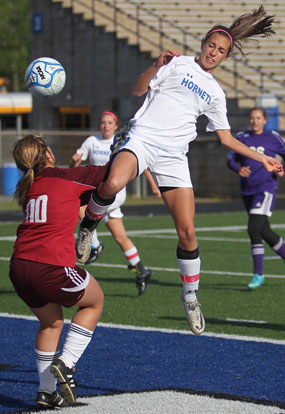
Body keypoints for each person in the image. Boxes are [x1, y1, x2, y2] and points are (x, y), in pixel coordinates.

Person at [75, 6, 283, 336]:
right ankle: (88, 225)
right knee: (112, 182)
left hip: (174, 156)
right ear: (203, 43)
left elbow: (226, 138)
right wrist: (156, 64)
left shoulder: (215, 93)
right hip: (142, 138)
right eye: (211, 46)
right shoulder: (177, 64)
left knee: (187, 233)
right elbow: (138, 90)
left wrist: (262, 160)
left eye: (221, 51)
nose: (214, 53)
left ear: (226, 57)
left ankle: (190, 297)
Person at [9, 134, 110, 409]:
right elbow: (113, 172)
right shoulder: (66, 176)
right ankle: (66, 363)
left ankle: (46, 391)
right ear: (48, 154)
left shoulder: (29, 185)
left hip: (19, 267)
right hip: (49, 266)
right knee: (95, 300)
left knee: (51, 323)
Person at [70, 111, 161, 295]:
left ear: (115, 125)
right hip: (98, 193)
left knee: (81, 208)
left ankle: (94, 245)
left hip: (115, 193)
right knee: (120, 237)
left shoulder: (121, 141)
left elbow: (142, 165)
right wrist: (74, 163)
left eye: (109, 122)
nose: (105, 125)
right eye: (103, 122)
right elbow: (76, 164)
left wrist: (154, 185)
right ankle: (142, 270)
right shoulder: (91, 141)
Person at [227, 107, 285, 289]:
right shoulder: (242, 138)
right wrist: (239, 169)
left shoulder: (273, 137)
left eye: (258, 118)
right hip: (247, 190)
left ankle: (258, 274)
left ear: (265, 120)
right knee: (265, 232)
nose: (255, 121)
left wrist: (282, 169)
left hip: (265, 188)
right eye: (252, 118)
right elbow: (230, 159)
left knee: (253, 228)